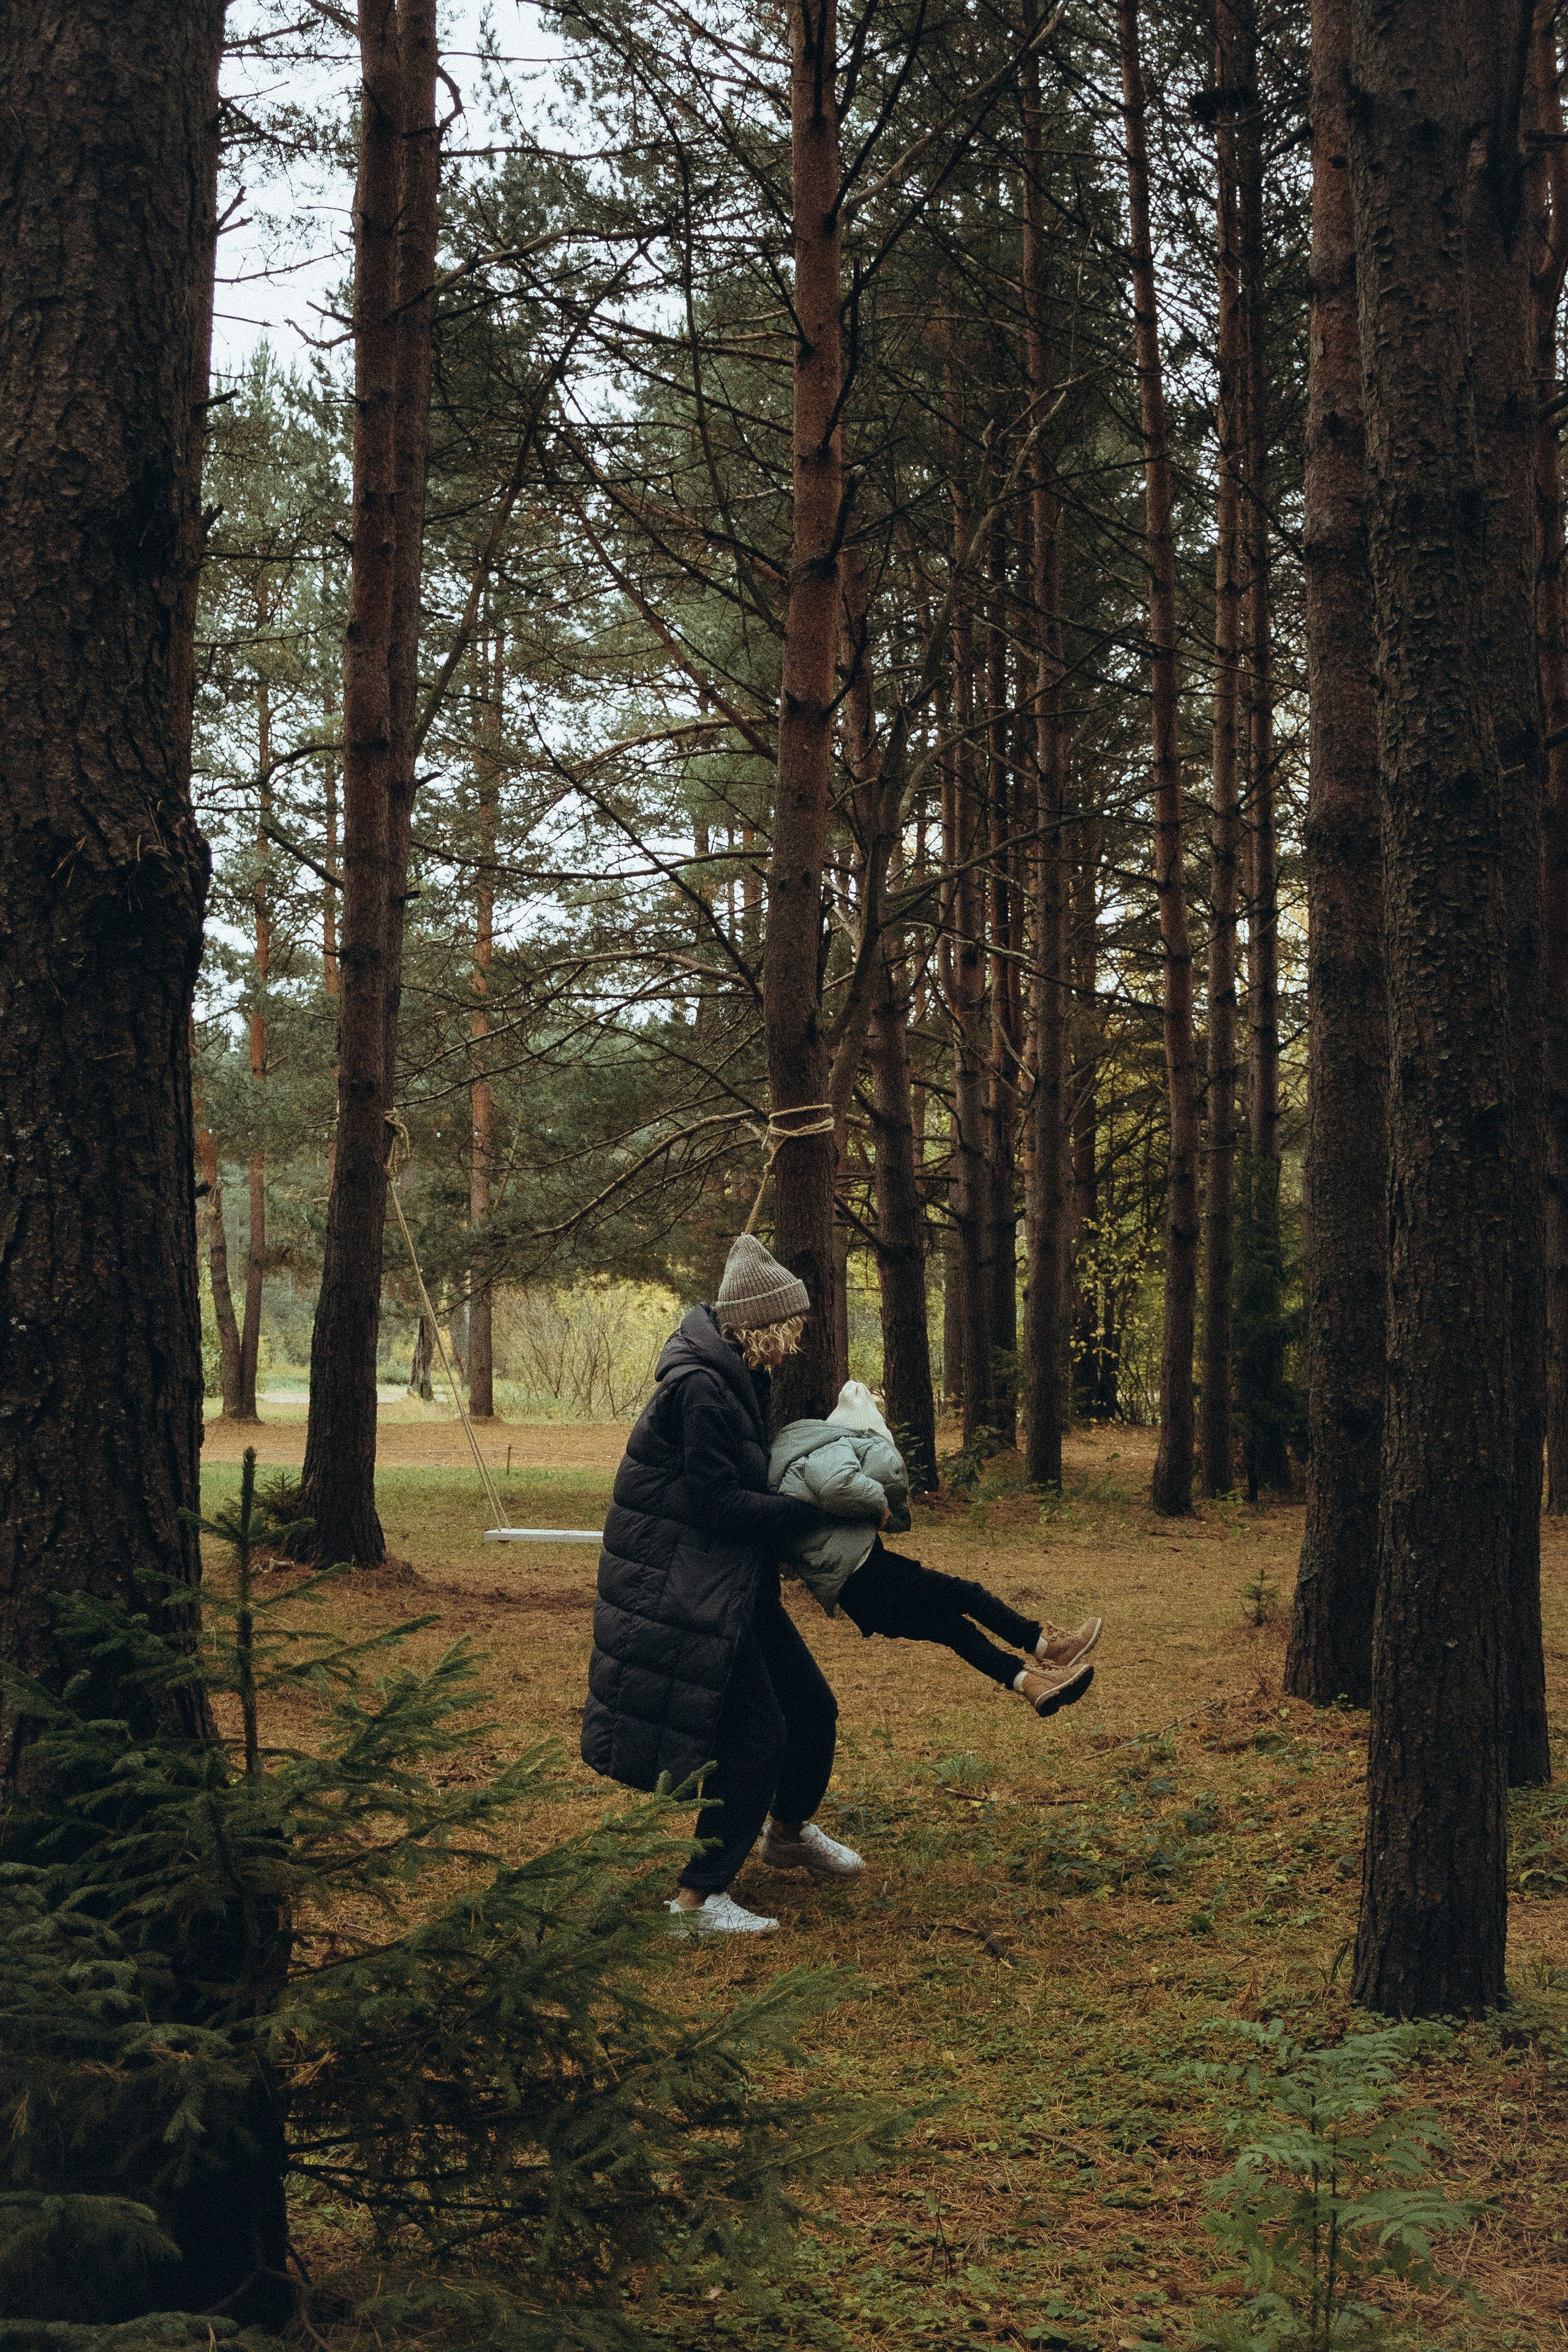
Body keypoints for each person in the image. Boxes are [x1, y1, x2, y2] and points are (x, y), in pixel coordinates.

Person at [581, 1232, 862, 1937]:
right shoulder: (704, 1388)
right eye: (790, 1329)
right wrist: (812, 1510)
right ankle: (697, 1902)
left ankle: (788, 1833)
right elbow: (718, 1505)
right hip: (687, 1590)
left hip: (733, 1583)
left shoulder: (736, 1374)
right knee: (757, 1736)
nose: (794, 1345)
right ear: (761, 1326)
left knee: (812, 1709)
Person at [771, 1380, 1102, 1712]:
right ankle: (1047, 1646)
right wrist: (880, 1503)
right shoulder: (833, 1444)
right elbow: (836, 1485)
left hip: (858, 1594)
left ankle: (1031, 1683)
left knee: (954, 1629)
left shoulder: (804, 1458)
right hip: (867, 1575)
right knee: (967, 1595)